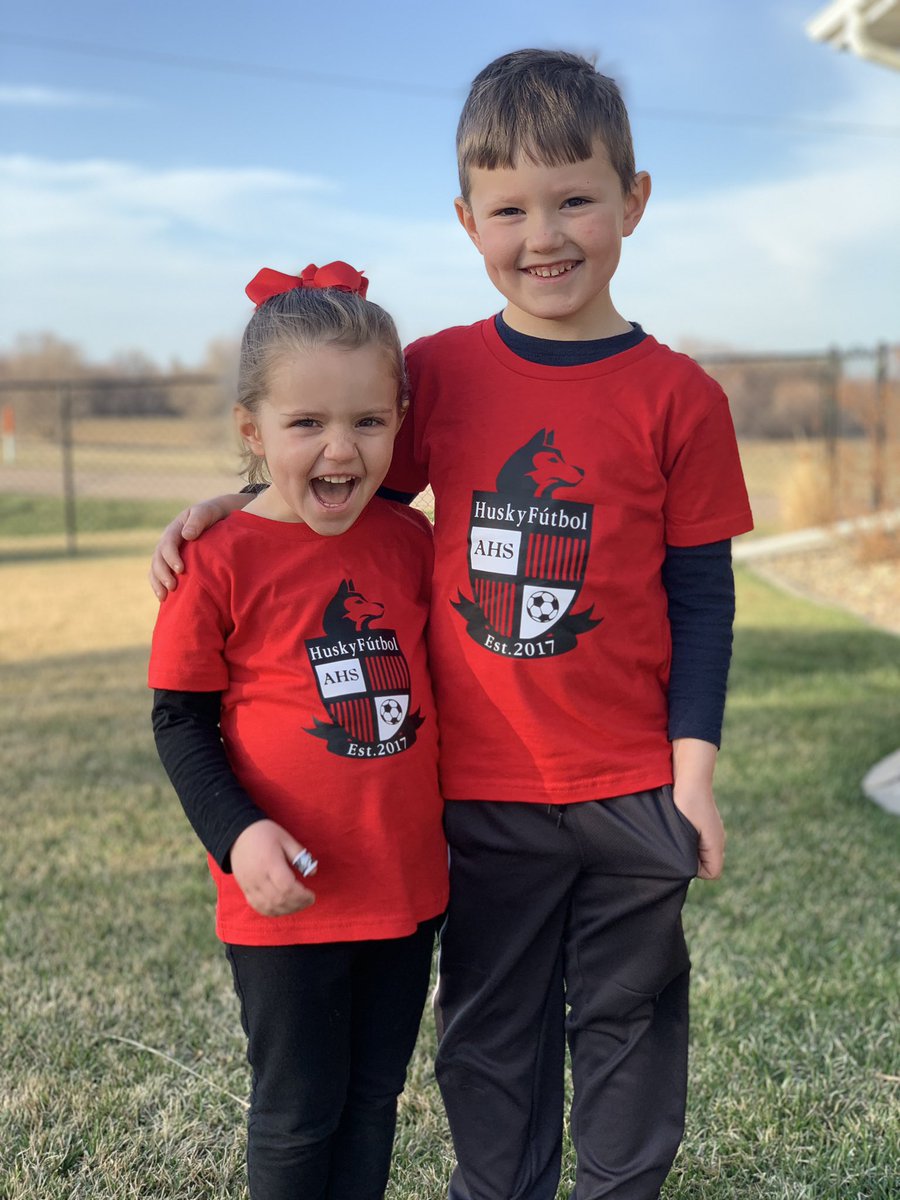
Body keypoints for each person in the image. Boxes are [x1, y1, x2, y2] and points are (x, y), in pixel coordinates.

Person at [150, 50, 754, 1200]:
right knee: (491, 1034)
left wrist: (693, 775)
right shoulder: (434, 374)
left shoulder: (683, 399)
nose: (546, 235)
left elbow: (702, 597)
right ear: (467, 220)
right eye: (510, 208)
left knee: (629, 1028)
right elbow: (339, 480)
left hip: (632, 784)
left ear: (634, 200)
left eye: (575, 199)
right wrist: (231, 504)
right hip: (477, 795)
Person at [148, 261, 448, 1200]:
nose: (340, 450)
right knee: (298, 1109)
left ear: (399, 421)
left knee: (373, 1097)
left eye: (368, 422)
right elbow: (179, 722)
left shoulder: (412, 543)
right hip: (289, 895)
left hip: (407, 886)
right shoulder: (214, 562)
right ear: (253, 431)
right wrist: (237, 837)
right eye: (307, 423)